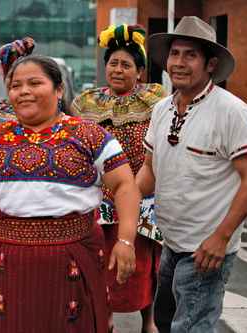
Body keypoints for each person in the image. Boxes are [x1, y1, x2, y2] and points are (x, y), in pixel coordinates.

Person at [0, 54, 141, 333]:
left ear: (59, 89)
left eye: (34, 83)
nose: (24, 91)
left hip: (73, 258)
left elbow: (125, 185)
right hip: (9, 261)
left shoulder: (90, 135)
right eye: (16, 85)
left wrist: (126, 240)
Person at [137, 16, 247, 333]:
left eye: (190, 55)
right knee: (165, 321)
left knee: (190, 327)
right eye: (175, 53)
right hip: (170, 241)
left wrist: (221, 238)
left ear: (210, 64)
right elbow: (149, 170)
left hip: (207, 250)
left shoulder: (231, 111)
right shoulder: (162, 109)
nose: (179, 62)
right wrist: (119, 200)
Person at [72, 24, 165, 333]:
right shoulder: (87, 102)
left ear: (139, 71)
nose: (118, 69)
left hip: (143, 195)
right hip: (99, 198)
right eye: (113, 63)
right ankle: (105, 318)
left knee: (144, 263)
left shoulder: (154, 99)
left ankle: (148, 321)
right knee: (100, 264)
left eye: (127, 64)